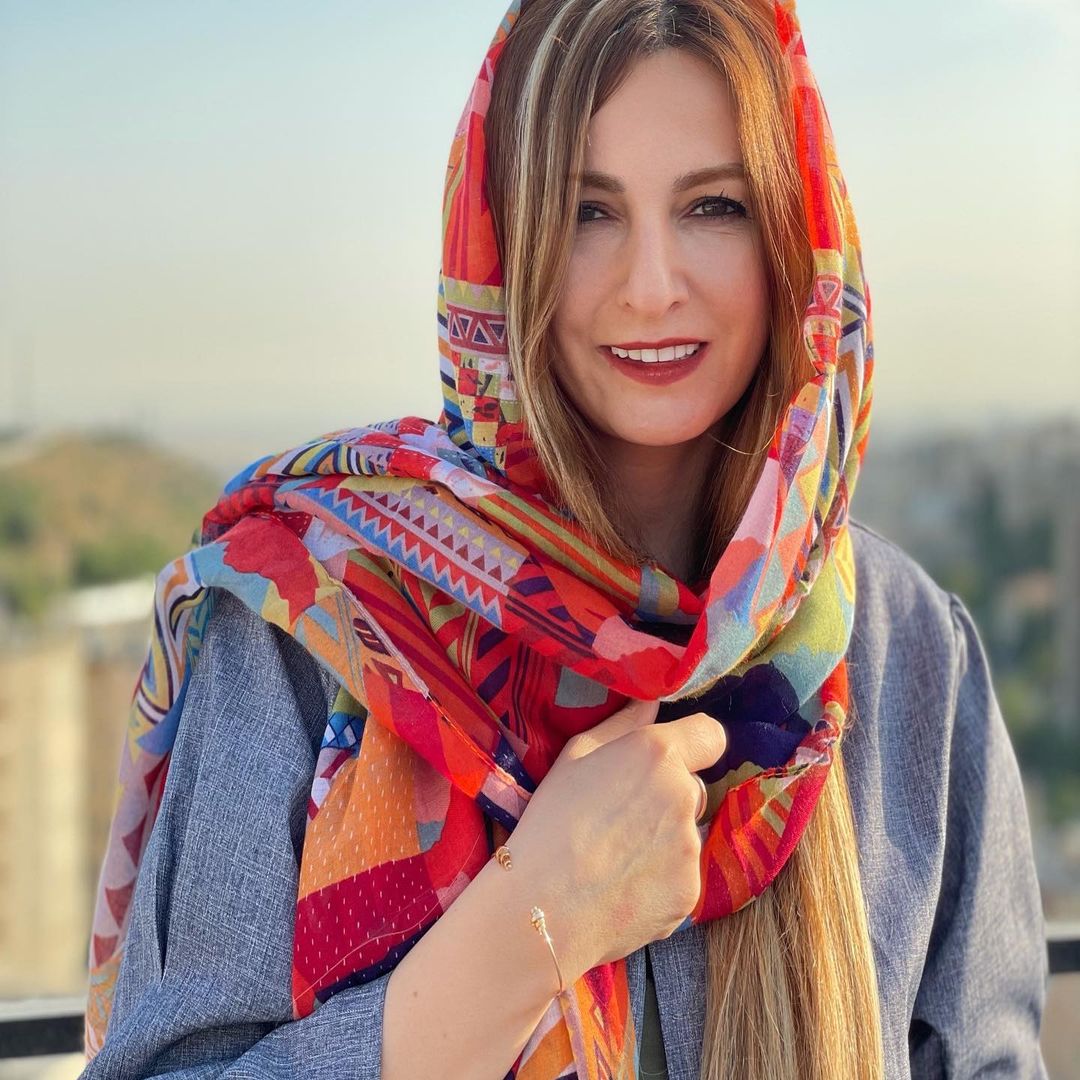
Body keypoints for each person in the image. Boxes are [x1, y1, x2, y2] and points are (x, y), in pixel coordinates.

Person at [82, 0, 1050, 1077]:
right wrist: (527, 929)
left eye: (715, 206)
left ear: (795, 238)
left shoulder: (910, 652)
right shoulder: (314, 623)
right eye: (587, 211)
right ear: (499, 245)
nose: (651, 285)